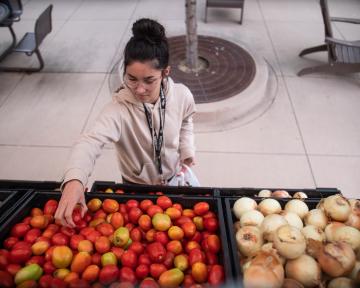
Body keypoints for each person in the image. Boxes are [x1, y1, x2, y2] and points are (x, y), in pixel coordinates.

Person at [55, 18, 196, 227]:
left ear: (165, 72)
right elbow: (90, 142)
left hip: (174, 180)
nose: (139, 89)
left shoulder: (182, 95)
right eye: (131, 79)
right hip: (135, 188)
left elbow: (186, 120)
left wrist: (187, 149)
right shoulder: (118, 109)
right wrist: (74, 180)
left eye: (149, 80)